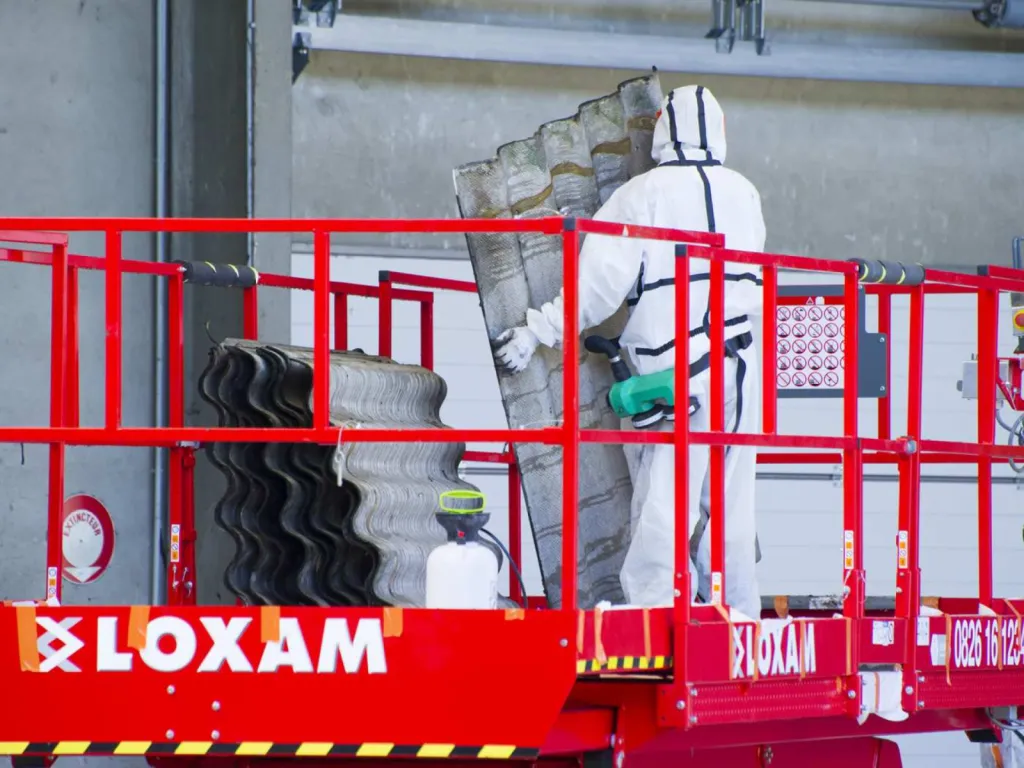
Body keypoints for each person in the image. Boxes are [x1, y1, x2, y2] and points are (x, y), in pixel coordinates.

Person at [492, 84, 766, 620]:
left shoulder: (644, 196)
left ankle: (656, 611)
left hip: (678, 369)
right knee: (732, 498)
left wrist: (536, 332)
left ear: (664, 128)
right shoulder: (745, 193)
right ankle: (737, 614)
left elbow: (596, 288)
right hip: (742, 367)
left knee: (666, 493)